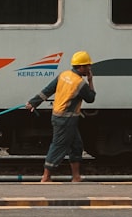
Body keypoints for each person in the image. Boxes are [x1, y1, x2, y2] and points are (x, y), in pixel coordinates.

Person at [25, 50, 96, 182]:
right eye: (87, 66)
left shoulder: (64, 75)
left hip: (61, 117)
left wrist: (33, 102)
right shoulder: (80, 84)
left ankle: (76, 177)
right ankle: (46, 177)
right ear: (80, 67)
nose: (89, 68)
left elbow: (48, 90)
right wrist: (91, 81)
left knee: (76, 145)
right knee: (58, 146)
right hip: (66, 119)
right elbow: (91, 98)